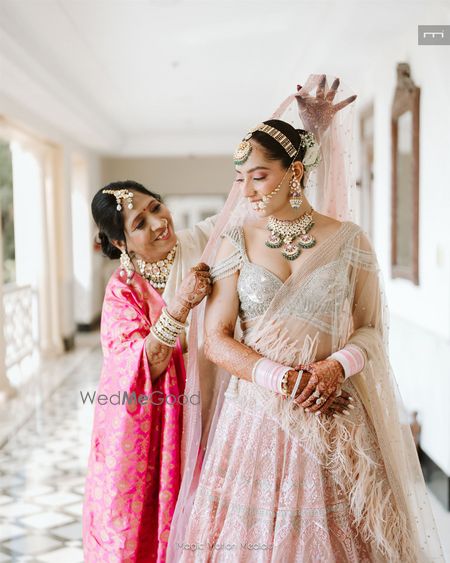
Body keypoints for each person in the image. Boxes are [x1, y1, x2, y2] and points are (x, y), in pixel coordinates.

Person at [167, 75, 444, 562]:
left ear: (294, 172)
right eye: (241, 179)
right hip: (257, 416)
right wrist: (280, 379)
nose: (247, 190)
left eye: (259, 175)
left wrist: (335, 367)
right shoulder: (236, 242)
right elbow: (215, 338)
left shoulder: (350, 240)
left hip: (334, 407)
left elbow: (370, 330)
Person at [82, 181, 214, 562]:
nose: (159, 223)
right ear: (121, 243)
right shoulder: (123, 291)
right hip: (159, 423)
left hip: (212, 399)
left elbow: (248, 210)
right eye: (140, 222)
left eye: (156, 207)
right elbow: (139, 366)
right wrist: (181, 305)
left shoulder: (198, 243)